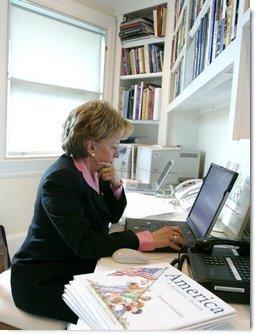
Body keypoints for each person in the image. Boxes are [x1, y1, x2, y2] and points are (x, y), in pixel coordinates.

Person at [11, 100, 183, 324]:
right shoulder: (60, 180)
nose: (117, 153)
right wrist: (146, 239)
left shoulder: (92, 169)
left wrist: (115, 184)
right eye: (114, 145)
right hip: (43, 280)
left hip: (73, 265)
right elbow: (86, 245)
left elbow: (111, 215)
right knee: (123, 316)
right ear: (91, 146)